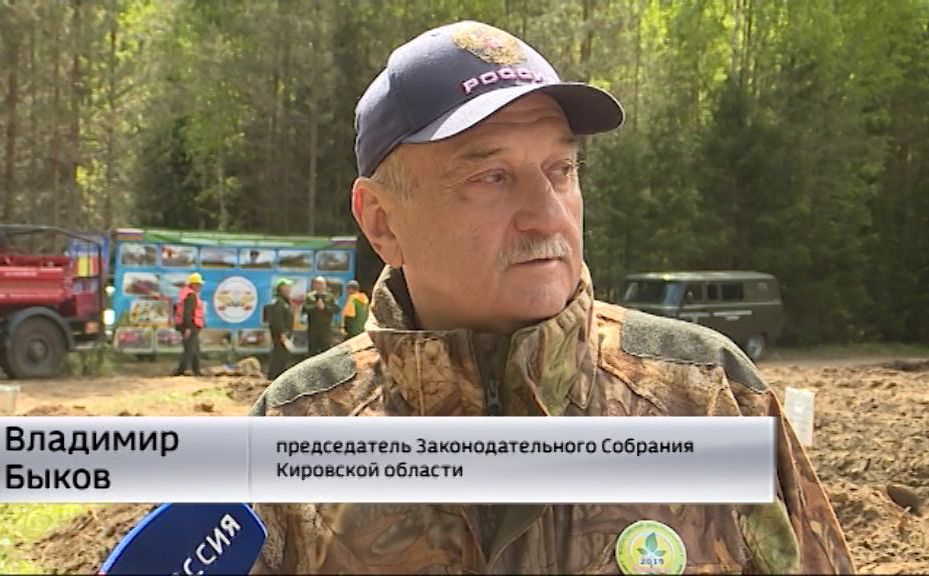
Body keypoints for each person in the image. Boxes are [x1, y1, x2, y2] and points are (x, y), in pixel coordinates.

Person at [249, 20, 854, 575]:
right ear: (382, 221)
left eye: (561, 170)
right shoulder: (297, 430)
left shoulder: (707, 395)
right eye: (491, 177)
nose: (547, 214)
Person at [172, 272, 205, 377]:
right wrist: (188, 328)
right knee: (190, 349)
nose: (200, 286)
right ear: (193, 284)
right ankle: (182, 370)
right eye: (198, 284)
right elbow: (187, 313)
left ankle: (196, 370)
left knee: (195, 348)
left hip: (191, 325)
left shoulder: (187, 294)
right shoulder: (191, 296)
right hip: (191, 325)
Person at [302, 276, 340, 356]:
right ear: (314, 285)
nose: (319, 286)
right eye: (317, 284)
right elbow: (304, 309)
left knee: (326, 351)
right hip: (313, 329)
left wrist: (325, 308)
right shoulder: (309, 296)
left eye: (322, 284)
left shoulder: (330, 296)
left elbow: (336, 309)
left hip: (326, 329)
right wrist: (315, 307)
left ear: (325, 285)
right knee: (312, 351)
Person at [266, 278, 295, 380]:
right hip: (281, 334)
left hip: (286, 334)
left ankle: (279, 377)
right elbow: (277, 319)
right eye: (286, 286)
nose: (289, 288)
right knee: (279, 355)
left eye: (289, 287)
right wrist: (282, 334)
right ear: (281, 288)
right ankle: (273, 377)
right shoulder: (278, 302)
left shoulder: (285, 301)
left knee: (283, 356)